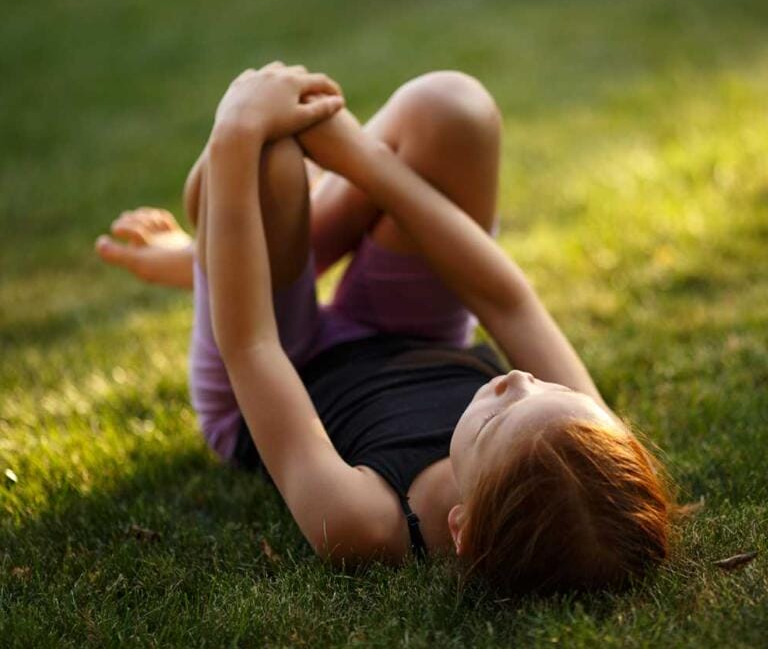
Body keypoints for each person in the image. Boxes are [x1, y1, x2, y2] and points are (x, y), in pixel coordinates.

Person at [95, 63, 670, 595]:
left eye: (499, 414)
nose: (519, 377)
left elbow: (250, 346)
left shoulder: (364, 524)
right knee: (453, 109)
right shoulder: (584, 447)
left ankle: (217, 257)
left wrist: (236, 130)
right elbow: (505, 300)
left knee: (269, 161)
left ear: (462, 528)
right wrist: (356, 155)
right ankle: (222, 251)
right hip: (410, 336)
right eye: (554, 389)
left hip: (280, 367)